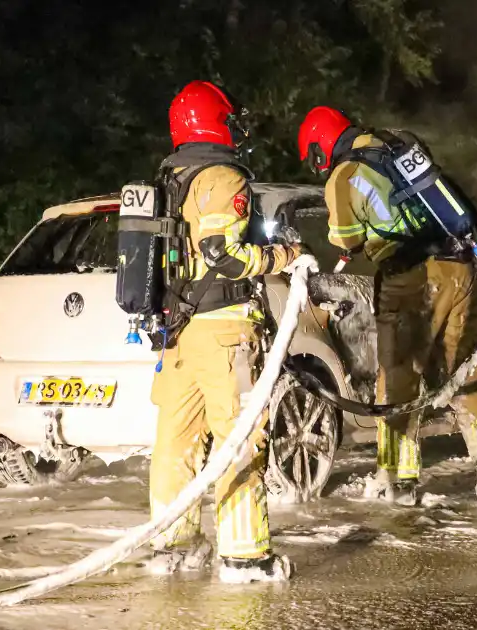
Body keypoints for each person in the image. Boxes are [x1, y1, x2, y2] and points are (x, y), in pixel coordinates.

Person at [296, 105, 477, 506]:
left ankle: (398, 477)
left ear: (319, 147)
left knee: (397, 372)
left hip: (409, 275)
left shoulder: (343, 175)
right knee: (462, 361)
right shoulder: (394, 146)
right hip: (459, 267)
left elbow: (345, 240)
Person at [146, 81, 313, 583]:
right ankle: (245, 555)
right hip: (223, 333)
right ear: (216, 122)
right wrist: (286, 255)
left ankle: (171, 546)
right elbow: (226, 255)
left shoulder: (169, 178)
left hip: (178, 331)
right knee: (239, 437)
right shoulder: (221, 176)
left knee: (175, 441)